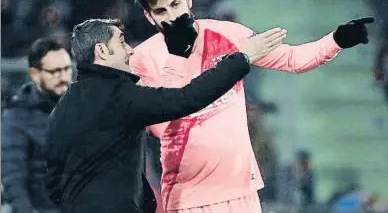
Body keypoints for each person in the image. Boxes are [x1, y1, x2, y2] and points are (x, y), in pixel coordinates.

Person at [127, 0, 374, 213]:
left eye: (175, 4)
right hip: (188, 197)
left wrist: (336, 40)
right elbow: (160, 126)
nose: (172, 16)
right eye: (161, 12)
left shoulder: (228, 35)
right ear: (149, 17)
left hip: (241, 191)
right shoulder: (142, 59)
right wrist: (176, 58)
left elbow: (292, 59)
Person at [44, 18, 285, 213]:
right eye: (121, 42)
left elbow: (51, 180)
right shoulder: (121, 96)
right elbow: (187, 98)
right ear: (102, 51)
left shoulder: (62, 107)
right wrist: (241, 59)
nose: (130, 50)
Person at [2, 37, 72, 213]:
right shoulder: (18, 113)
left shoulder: (82, 104)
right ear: (35, 73)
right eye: (55, 71)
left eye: (67, 69)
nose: (63, 77)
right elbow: (13, 175)